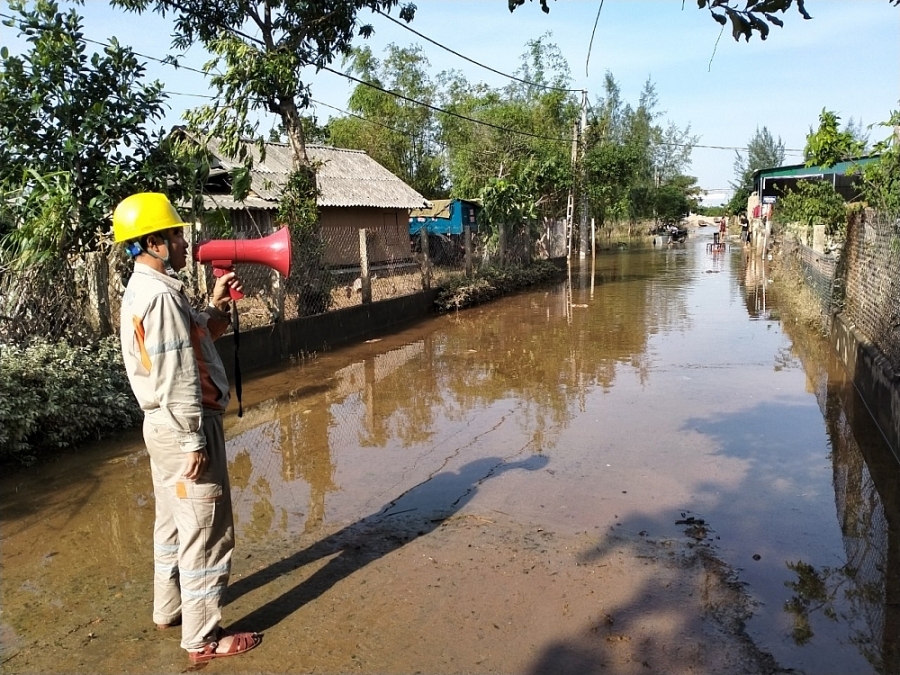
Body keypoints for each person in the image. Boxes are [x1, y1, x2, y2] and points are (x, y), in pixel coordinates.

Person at [113, 192, 260, 664]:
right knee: (207, 531)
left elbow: (194, 340)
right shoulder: (159, 298)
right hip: (184, 426)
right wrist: (194, 438)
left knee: (173, 524)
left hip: (163, 426)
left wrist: (216, 306)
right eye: (175, 234)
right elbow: (176, 375)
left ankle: (168, 609)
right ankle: (203, 639)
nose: (183, 240)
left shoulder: (148, 289)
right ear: (152, 241)